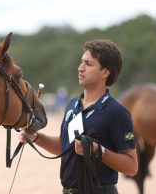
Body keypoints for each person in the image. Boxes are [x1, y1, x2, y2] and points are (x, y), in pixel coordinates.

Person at [20, 39, 138, 194]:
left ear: (105, 72)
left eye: (88, 64)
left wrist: (98, 151)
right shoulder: (72, 105)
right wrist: (35, 137)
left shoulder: (117, 113)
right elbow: (64, 145)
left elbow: (131, 167)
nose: (80, 68)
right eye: (81, 62)